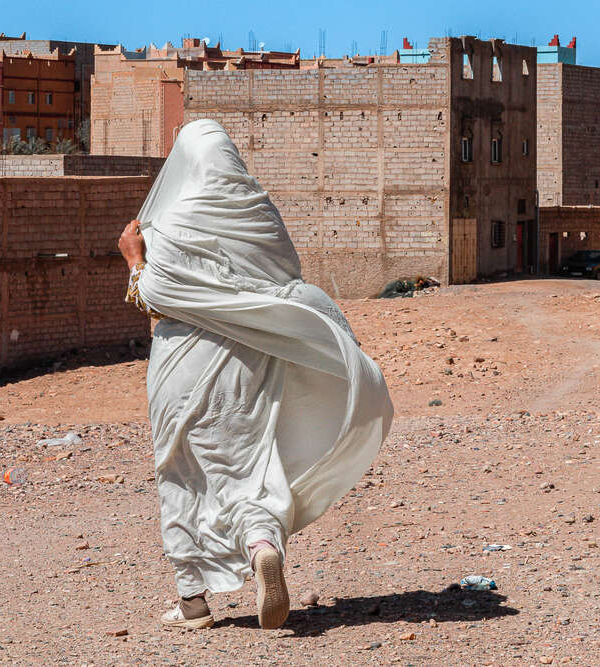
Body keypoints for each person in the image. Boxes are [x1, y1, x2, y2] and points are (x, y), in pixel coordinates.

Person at [117, 119, 393, 630]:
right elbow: (284, 282)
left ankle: (192, 601)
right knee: (249, 460)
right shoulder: (261, 215)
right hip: (250, 361)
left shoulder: (171, 223)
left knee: (181, 469)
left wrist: (134, 259)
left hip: (183, 365)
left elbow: (154, 296)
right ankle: (262, 543)